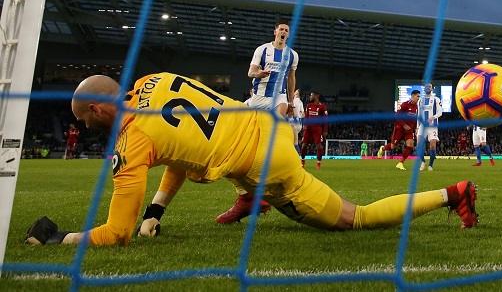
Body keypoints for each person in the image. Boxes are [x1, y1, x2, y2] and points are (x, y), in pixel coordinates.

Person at [23, 73, 478, 247]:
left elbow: (116, 235)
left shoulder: (130, 141)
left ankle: (452, 193)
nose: (83, 128)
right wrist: (156, 211)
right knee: (221, 163)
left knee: (352, 219)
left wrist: (62, 236)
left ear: (100, 111)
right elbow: (179, 149)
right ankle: (248, 198)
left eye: (84, 120)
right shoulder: (155, 80)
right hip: (264, 129)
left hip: (269, 166)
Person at [217, 19, 298, 224]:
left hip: (278, 97)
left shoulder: (292, 55)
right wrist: (258, 73)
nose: (283, 32)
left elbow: (290, 78)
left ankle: (279, 166)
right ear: (275, 32)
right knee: (237, 133)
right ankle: (249, 177)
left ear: (288, 35)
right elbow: (250, 72)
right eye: (281, 29)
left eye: (286, 30)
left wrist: (289, 100)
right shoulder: (262, 50)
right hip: (257, 99)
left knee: (277, 123)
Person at [378, 89, 419, 170]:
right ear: (413, 96)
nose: (418, 98)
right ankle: (382, 148)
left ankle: (400, 163)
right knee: (393, 146)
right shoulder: (405, 105)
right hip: (400, 128)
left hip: (409, 130)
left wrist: (415, 129)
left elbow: (415, 119)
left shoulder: (417, 107)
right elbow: (396, 115)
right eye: (417, 96)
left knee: (410, 145)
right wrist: (404, 125)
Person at [300, 91, 328, 169]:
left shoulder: (322, 107)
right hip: (308, 128)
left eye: (311, 95)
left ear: (316, 96)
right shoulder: (309, 105)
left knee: (318, 145)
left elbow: (325, 119)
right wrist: (305, 124)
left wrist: (325, 130)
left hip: (317, 128)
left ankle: (318, 162)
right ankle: (302, 161)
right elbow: (306, 117)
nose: (310, 97)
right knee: (304, 144)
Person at [417, 83, 442, 172]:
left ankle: (430, 165)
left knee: (432, 145)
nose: (427, 88)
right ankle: (423, 162)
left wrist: (433, 117)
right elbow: (419, 115)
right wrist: (417, 127)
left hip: (432, 126)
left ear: (432, 88)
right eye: (426, 86)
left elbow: (440, 112)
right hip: (422, 126)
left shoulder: (436, 99)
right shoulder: (420, 101)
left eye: (429, 86)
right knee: (419, 144)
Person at [291, 89, 304, 155]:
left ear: (297, 94)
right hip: (299, 123)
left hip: (294, 122)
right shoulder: (301, 102)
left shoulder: (294, 101)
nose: (293, 92)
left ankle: (297, 157)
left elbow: (294, 111)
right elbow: (303, 114)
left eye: (295, 91)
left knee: (294, 142)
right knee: (294, 141)